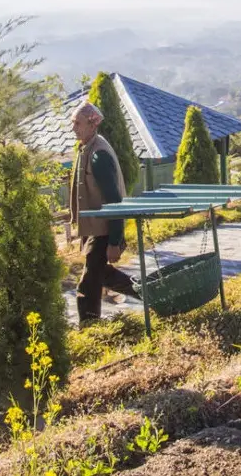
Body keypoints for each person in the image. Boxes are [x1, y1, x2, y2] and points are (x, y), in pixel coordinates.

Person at [69, 101, 134, 324]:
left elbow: (114, 201)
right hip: (95, 228)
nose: (74, 128)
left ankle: (89, 328)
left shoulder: (99, 155)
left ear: (91, 124)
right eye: (72, 123)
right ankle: (150, 291)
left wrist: (114, 241)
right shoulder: (87, 147)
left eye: (78, 123)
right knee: (100, 273)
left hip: (104, 230)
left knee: (87, 285)